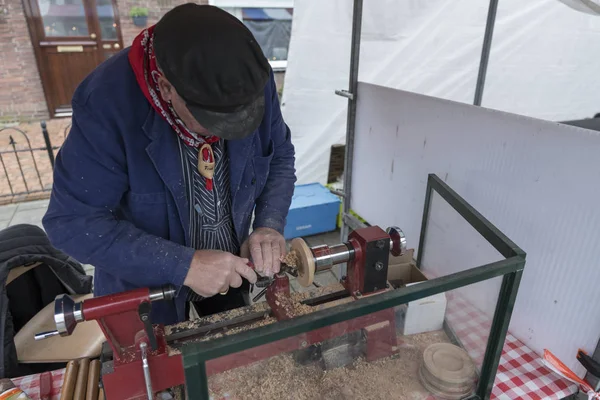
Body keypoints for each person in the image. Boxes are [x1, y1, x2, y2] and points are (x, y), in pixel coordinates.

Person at [42, 4, 296, 325]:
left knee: (233, 359)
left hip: (229, 267)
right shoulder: (106, 104)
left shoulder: (249, 80)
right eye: (212, 120)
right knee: (164, 370)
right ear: (165, 87)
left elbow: (280, 157)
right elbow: (71, 223)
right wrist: (183, 265)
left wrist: (269, 223)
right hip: (147, 286)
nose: (224, 134)